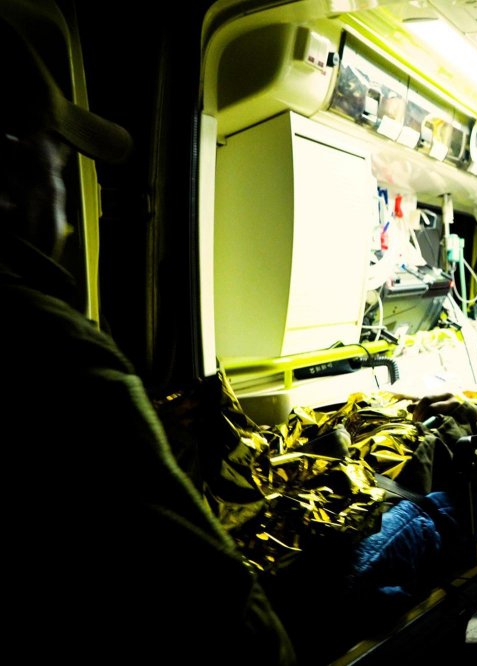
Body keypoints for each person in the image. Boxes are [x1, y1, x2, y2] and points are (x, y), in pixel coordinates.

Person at [0, 16, 295, 664]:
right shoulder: (56, 350)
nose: (69, 222)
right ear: (9, 170)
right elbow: (216, 604)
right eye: (58, 165)